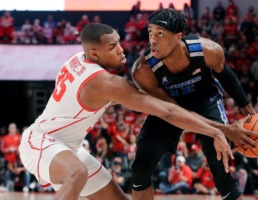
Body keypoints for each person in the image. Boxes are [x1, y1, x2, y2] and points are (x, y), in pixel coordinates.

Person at [19, 23, 239, 200]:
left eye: (119, 43)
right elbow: (168, 113)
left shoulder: (79, 59)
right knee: (77, 173)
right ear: (95, 55)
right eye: (112, 47)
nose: (121, 50)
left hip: (69, 148)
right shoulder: (105, 83)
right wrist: (218, 130)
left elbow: (111, 97)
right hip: (41, 141)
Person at [131, 9, 258, 200]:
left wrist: (250, 113)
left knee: (219, 166)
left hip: (205, 100)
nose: (152, 40)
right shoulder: (143, 70)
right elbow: (175, 112)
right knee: (140, 167)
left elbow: (227, 77)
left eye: (160, 33)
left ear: (178, 38)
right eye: (150, 32)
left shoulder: (209, 51)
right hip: (171, 107)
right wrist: (225, 129)